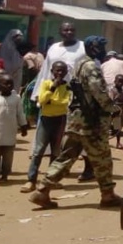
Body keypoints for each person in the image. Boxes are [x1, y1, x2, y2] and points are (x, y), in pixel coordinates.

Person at [28, 35, 123, 209]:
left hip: (77, 120)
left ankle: (42, 190)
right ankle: (108, 195)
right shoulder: (90, 66)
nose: (103, 51)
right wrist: (113, 109)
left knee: (66, 157)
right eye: (101, 47)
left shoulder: (80, 63)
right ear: (94, 48)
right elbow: (99, 93)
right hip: (91, 122)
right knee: (102, 158)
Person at [29, 22, 94, 181]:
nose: (69, 32)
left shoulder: (83, 47)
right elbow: (45, 70)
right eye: (65, 29)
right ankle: (45, 173)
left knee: (78, 133)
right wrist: (38, 94)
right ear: (60, 32)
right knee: (51, 138)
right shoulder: (54, 48)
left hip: (77, 95)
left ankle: (88, 168)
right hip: (53, 95)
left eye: (72, 29)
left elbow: (91, 69)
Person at [22, 61, 70, 192]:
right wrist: (53, 88)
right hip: (45, 120)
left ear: (66, 72)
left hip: (60, 120)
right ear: (52, 72)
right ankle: (31, 180)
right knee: (38, 151)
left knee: (55, 152)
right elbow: (42, 100)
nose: (60, 73)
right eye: (57, 70)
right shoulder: (46, 84)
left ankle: (50, 180)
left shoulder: (67, 87)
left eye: (62, 70)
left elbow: (66, 102)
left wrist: (51, 101)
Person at [0, 73, 28, 183]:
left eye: (11, 84)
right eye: (6, 84)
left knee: (8, 156)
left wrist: (23, 126)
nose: (8, 86)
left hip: (10, 132)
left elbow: (20, 114)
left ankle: (5, 175)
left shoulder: (16, 98)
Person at [108, 74, 123, 149]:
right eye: (119, 81)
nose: (120, 83)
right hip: (111, 111)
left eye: (122, 82)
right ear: (115, 81)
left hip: (119, 112)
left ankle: (118, 143)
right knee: (106, 127)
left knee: (118, 128)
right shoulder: (112, 90)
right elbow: (111, 101)